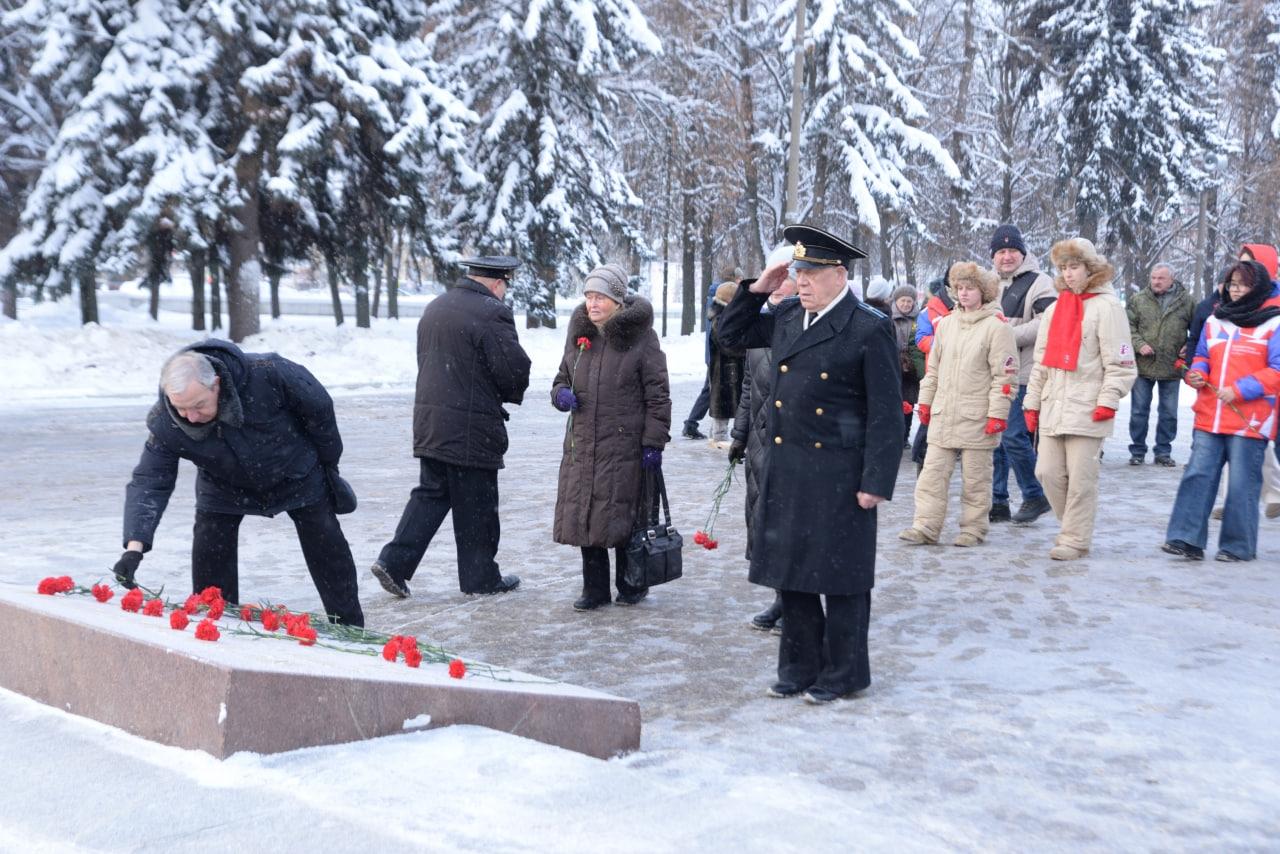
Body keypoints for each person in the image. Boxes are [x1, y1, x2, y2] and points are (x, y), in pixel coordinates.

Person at [717, 223, 902, 704]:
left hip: (841, 472)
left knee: (842, 579)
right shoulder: (787, 316)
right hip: (788, 467)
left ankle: (844, 673)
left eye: (812, 273)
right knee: (793, 571)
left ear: (839, 275)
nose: (801, 281)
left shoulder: (868, 326)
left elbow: (886, 413)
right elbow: (729, 334)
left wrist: (876, 479)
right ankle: (799, 668)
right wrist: (758, 288)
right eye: (798, 271)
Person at [115, 341, 364, 626]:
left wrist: (327, 465)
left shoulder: (269, 374)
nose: (191, 417)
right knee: (210, 552)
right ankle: (217, 624)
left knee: (327, 545)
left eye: (199, 405)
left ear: (216, 384)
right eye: (181, 408)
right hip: (223, 486)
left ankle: (349, 625)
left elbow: (320, 410)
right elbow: (150, 480)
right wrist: (134, 548)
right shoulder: (165, 421)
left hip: (295, 471)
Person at [370, 256, 531, 599]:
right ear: (498, 283)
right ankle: (480, 578)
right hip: (471, 425)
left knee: (431, 494)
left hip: (432, 421)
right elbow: (512, 368)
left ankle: (393, 562)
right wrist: (511, 390)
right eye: (505, 286)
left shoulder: (436, 306)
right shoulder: (492, 312)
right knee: (478, 504)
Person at [552, 263, 672, 610]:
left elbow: (658, 396)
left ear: (617, 301)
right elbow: (561, 378)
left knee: (622, 514)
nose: (592, 303)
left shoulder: (642, 338)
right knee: (586, 513)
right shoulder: (580, 335)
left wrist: (653, 443)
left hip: (623, 445)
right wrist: (561, 394)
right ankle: (594, 589)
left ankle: (631, 583)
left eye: (600, 297)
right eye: (589, 296)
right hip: (583, 444)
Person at [1023, 238, 1137, 560]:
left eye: (1074, 267)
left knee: (1081, 481)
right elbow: (1041, 362)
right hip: (1053, 405)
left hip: (1088, 407)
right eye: (1063, 268)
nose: (1068, 274)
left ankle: (1074, 539)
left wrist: (1108, 399)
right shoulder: (1055, 309)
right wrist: (1032, 402)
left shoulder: (1108, 307)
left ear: (1090, 268)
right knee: (1046, 473)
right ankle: (1073, 527)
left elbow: (1121, 363)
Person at [1162, 260, 1280, 562]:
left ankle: (1237, 546)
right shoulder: (1216, 319)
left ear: (1259, 287)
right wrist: (1197, 373)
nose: (1236, 290)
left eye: (1243, 285)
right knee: (1197, 475)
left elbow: (1277, 370)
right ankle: (1185, 538)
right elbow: (1201, 356)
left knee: (1242, 484)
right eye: (1232, 284)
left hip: (1250, 419)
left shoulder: (1274, 323)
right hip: (1210, 414)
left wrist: (1240, 389)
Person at [900, 263, 1017, 547]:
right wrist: (926, 403)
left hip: (978, 416)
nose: (963, 293)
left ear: (984, 292)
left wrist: (998, 414)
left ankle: (973, 529)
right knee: (931, 475)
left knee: (976, 480)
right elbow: (933, 370)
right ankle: (925, 526)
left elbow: (1005, 377)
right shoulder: (947, 324)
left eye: (970, 288)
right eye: (960, 288)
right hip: (944, 414)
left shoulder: (997, 327)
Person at [729, 245, 798, 633]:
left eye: (787, 277)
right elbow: (747, 388)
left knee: (790, 524)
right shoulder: (760, 326)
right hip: (759, 441)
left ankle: (795, 602)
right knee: (763, 522)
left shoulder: (803, 327)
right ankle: (780, 597)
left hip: (792, 443)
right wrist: (739, 435)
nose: (779, 284)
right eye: (774, 276)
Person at [989, 224, 1055, 524]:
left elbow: (1046, 323)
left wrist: (1005, 336)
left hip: (1023, 371)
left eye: (1012, 251)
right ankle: (998, 500)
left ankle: (1035, 494)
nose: (1006, 256)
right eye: (1001, 251)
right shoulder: (987, 283)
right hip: (993, 372)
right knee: (996, 438)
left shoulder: (1041, 282)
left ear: (1023, 253)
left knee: (1014, 436)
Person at [1125, 264, 1194, 466]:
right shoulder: (1138, 300)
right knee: (1138, 411)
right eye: (1153, 277)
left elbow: (1198, 329)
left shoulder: (1187, 302)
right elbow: (1128, 326)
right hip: (1143, 366)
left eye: (1161, 278)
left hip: (1172, 365)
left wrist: (1189, 346)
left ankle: (1163, 452)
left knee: (1169, 413)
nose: (1156, 281)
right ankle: (1137, 451)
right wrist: (1139, 344)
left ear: (1172, 279)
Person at [911, 272, 956, 470]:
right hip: (937, 374)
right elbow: (921, 340)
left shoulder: (976, 306)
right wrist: (948, 343)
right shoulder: (928, 311)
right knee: (930, 419)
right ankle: (922, 460)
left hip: (967, 375)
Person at [681, 271, 733, 439]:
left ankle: (694, 424)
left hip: (713, 356)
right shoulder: (722, 303)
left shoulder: (715, 299)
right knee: (714, 391)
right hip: (717, 357)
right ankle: (693, 424)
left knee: (711, 391)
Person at [707, 281, 744, 448]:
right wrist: (747, 348)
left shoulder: (724, 316)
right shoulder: (721, 319)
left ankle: (716, 435)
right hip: (723, 370)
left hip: (728, 369)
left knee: (725, 402)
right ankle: (718, 437)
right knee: (722, 404)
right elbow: (727, 345)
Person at [891, 284, 921, 446]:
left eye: (909, 301)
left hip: (912, 369)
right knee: (894, 403)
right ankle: (894, 436)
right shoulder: (888, 317)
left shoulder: (919, 319)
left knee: (909, 402)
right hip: (893, 366)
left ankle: (904, 437)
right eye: (903, 300)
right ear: (896, 301)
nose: (906, 304)